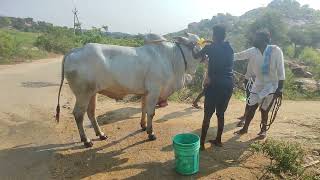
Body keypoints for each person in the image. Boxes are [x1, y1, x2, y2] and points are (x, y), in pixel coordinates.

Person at [234, 30, 285, 138]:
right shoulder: (253, 51)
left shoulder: (276, 51)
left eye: (256, 38)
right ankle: (245, 128)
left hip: (272, 85)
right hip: (258, 83)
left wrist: (280, 89)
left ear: (264, 40)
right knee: (251, 106)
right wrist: (220, 55)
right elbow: (238, 56)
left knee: (264, 109)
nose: (254, 40)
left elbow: (281, 70)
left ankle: (263, 130)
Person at [194, 25, 234, 150]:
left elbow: (196, 56)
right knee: (220, 114)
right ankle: (218, 140)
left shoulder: (209, 48)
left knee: (207, 115)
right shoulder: (229, 48)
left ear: (214, 36)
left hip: (215, 84)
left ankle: (201, 145)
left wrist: (193, 46)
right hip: (228, 83)